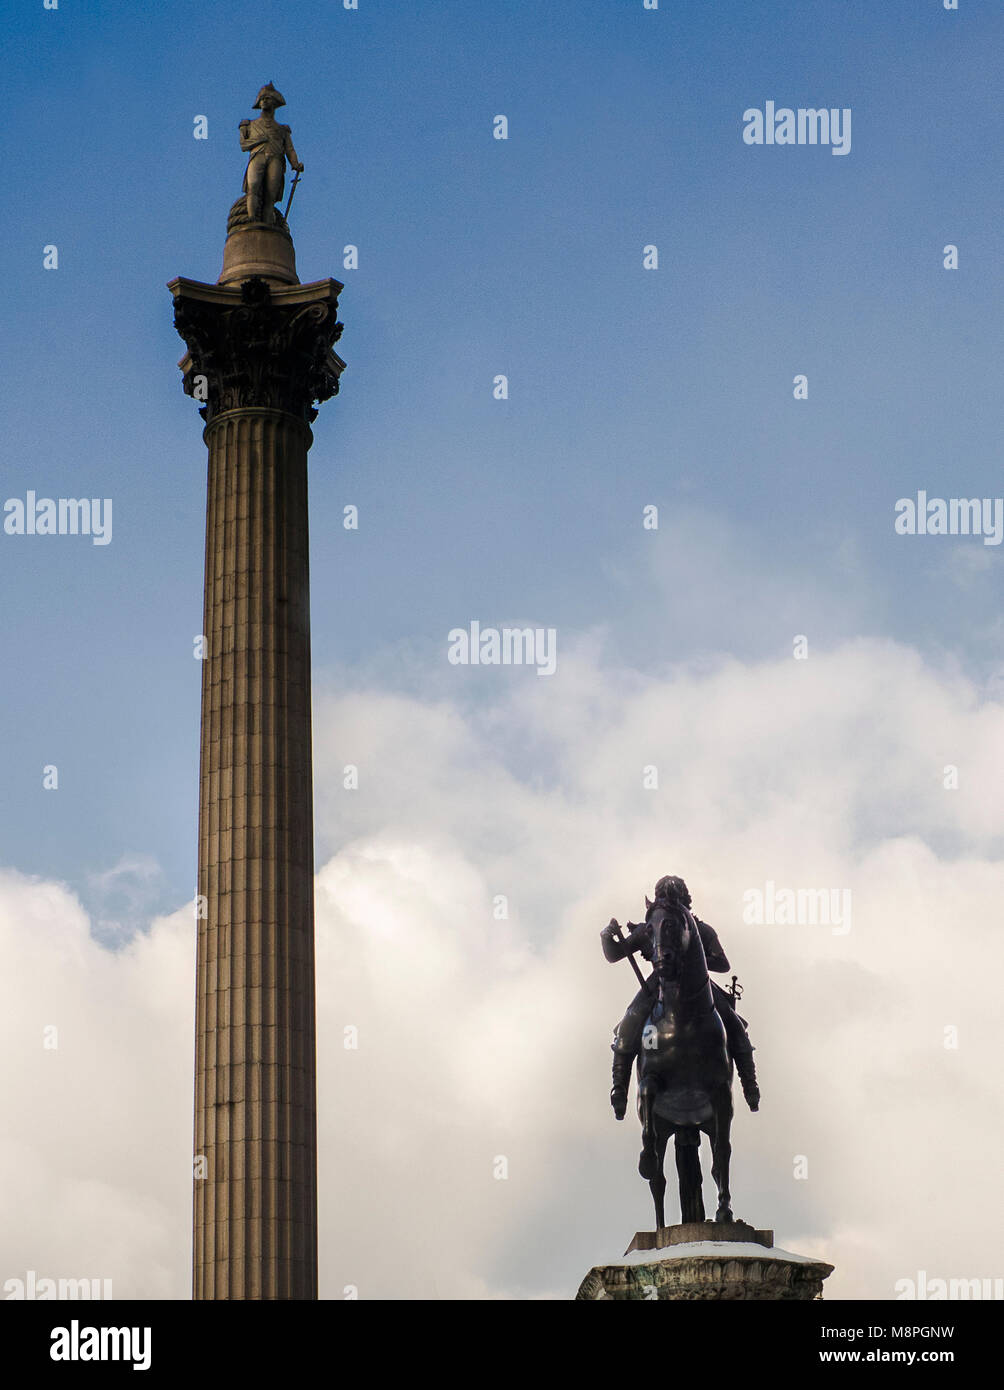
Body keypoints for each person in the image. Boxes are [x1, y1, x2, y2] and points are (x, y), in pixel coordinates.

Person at [601, 874, 760, 1118]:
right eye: (662, 897)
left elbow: (722, 963)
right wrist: (607, 937)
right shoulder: (650, 928)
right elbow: (616, 954)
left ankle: (750, 1083)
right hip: (660, 985)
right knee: (630, 1020)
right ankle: (619, 1088)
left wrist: (692, 958)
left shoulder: (701, 929)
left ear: (684, 901)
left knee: (733, 1022)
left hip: (699, 984)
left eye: (673, 899)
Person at [239, 83, 304, 225]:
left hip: (276, 159)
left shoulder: (282, 129)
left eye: (268, 98)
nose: (264, 101)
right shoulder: (248, 125)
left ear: (274, 103)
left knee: (270, 195)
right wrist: (259, 140)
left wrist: (295, 163)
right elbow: (244, 145)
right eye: (262, 99)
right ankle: (252, 220)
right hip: (257, 156)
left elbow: (289, 149)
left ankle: (268, 224)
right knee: (254, 187)